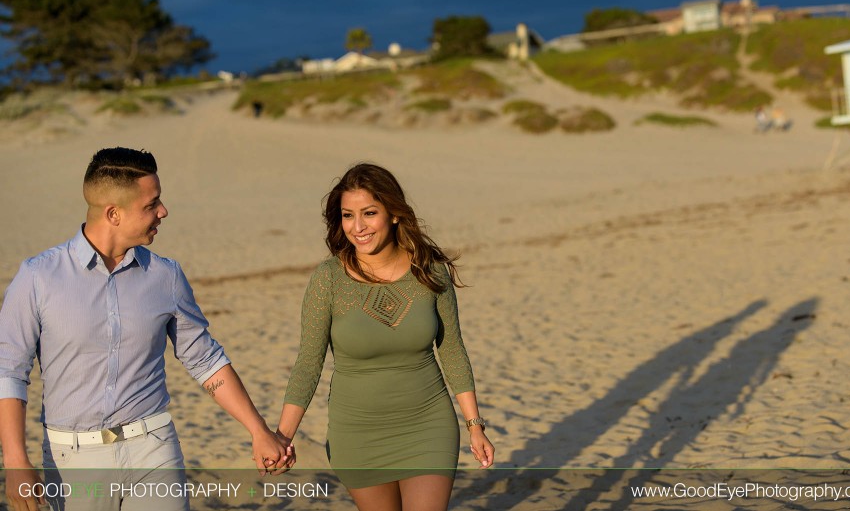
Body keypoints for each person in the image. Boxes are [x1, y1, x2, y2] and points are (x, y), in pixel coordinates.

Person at [0, 147, 294, 511]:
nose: (163, 211)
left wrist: (258, 430)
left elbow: (204, 359)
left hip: (153, 447)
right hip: (72, 462)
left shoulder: (166, 276)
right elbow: (10, 371)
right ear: (113, 214)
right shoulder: (38, 277)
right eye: (151, 204)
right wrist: (16, 461)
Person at [277, 162, 494, 511]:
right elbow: (308, 363)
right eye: (348, 215)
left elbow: (452, 350)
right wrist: (283, 436)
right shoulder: (328, 279)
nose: (357, 227)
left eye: (369, 213)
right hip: (358, 433)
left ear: (393, 214)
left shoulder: (430, 272)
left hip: (428, 424)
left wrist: (475, 425)